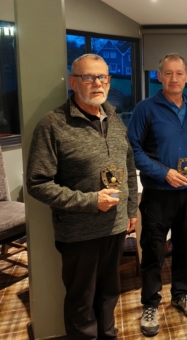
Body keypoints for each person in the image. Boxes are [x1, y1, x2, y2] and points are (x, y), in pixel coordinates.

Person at [26, 54, 138, 339]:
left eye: (103, 77)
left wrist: (131, 210)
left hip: (115, 226)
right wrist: (91, 201)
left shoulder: (115, 120)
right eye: (89, 77)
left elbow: (128, 167)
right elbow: (37, 183)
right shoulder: (52, 125)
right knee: (81, 301)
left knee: (109, 293)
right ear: (73, 82)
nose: (97, 83)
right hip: (79, 232)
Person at [127, 53, 187, 336]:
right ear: (159, 76)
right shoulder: (145, 108)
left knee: (185, 248)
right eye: (168, 73)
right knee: (153, 251)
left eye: (179, 73)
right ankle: (150, 303)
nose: (174, 79)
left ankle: (181, 293)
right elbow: (133, 150)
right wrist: (164, 173)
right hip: (157, 194)